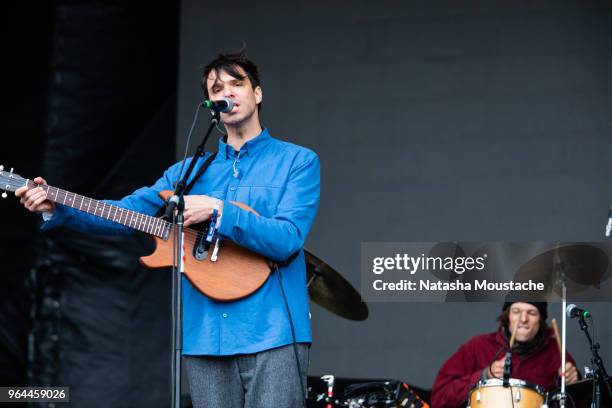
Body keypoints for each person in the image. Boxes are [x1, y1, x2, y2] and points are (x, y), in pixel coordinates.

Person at [16, 49, 320, 408]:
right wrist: (59, 205)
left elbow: (287, 240)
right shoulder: (186, 173)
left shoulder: (297, 161)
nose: (228, 93)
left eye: (238, 84)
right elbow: (124, 213)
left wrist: (219, 210)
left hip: (273, 332)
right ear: (209, 104)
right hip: (205, 333)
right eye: (216, 88)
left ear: (257, 93)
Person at [431, 302, 580, 408]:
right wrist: (484, 375)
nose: (523, 319)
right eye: (516, 311)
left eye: (532, 312)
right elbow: (438, 398)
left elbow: (583, 401)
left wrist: (574, 384)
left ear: (540, 320)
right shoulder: (478, 346)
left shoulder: (556, 353)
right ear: (507, 316)